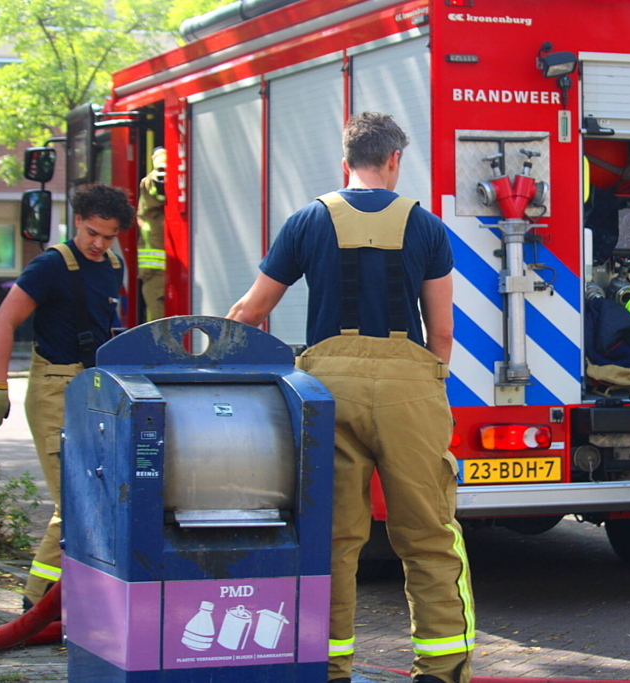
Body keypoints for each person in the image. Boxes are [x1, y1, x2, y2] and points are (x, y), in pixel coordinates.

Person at [227, 112, 473, 683]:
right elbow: (441, 333)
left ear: (347, 163)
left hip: (327, 391)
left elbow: (250, 313)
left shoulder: (307, 220)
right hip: (410, 387)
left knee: (332, 539)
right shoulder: (426, 227)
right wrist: (422, 382)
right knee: (428, 533)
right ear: (394, 161)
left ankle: (328, 667)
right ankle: (442, 669)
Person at [0, 183, 133, 609]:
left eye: (109, 236)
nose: (99, 243)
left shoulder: (112, 264)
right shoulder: (50, 266)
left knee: (93, 497)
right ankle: (37, 604)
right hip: (54, 388)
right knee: (76, 500)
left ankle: (56, 600)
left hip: (94, 389)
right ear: (77, 220)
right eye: (93, 232)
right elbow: (4, 320)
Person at [137, 147, 167, 321]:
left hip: (157, 274)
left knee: (160, 329)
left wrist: (161, 164)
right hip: (154, 272)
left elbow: (160, 183)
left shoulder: (151, 181)